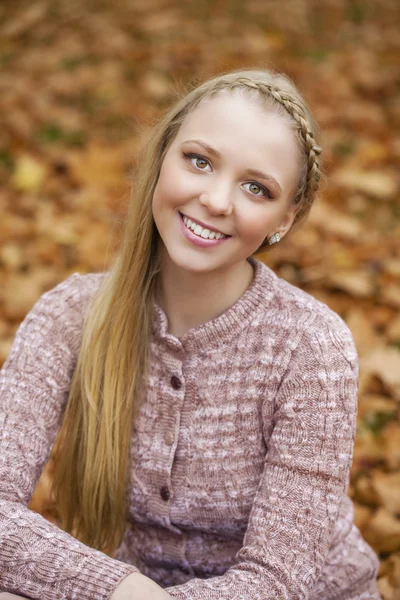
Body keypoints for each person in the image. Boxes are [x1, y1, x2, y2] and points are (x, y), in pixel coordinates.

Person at [0, 69, 381, 600]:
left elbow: (276, 583)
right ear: (161, 157)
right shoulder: (69, 317)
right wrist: (120, 589)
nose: (217, 200)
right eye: (199, 161)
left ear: (284, 219)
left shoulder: (310, 347)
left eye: (256, 187)